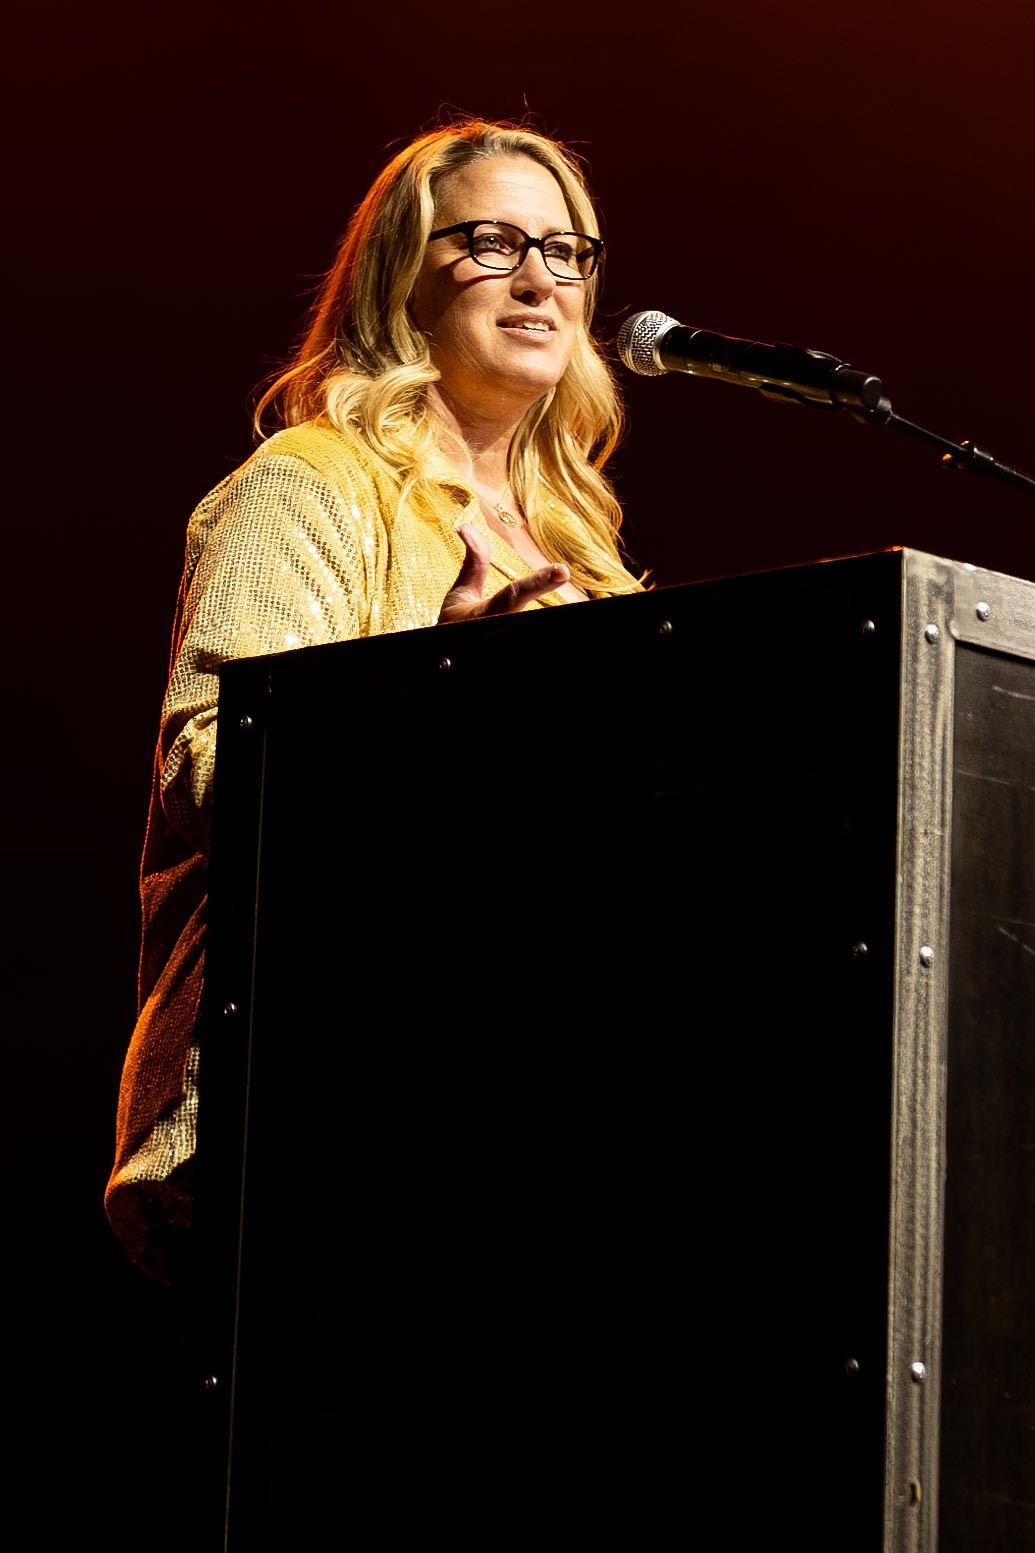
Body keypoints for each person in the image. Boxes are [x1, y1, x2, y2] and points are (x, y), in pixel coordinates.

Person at [106, 116, 643, 1281]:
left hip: (523, 1107)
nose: (539, 278)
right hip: (312, 1091)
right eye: (494, 242)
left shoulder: (580, 550)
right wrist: (423, 704)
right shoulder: (310, 485)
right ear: (403, 271)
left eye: (568, 251)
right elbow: (210, 766)